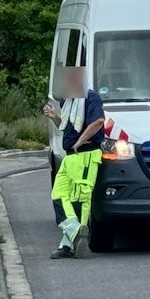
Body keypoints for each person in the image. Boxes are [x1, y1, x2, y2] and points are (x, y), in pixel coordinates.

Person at [43, 65, 106, 259]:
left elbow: (98, 121)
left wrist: (79, 141)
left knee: (80, 199)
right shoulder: (69, 102)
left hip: (85, 155)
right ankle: (76, 231)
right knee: (59, 195)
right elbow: (67, 127)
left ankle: (68, 244)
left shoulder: (91, 97)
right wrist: (55, 117)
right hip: (71, 156)